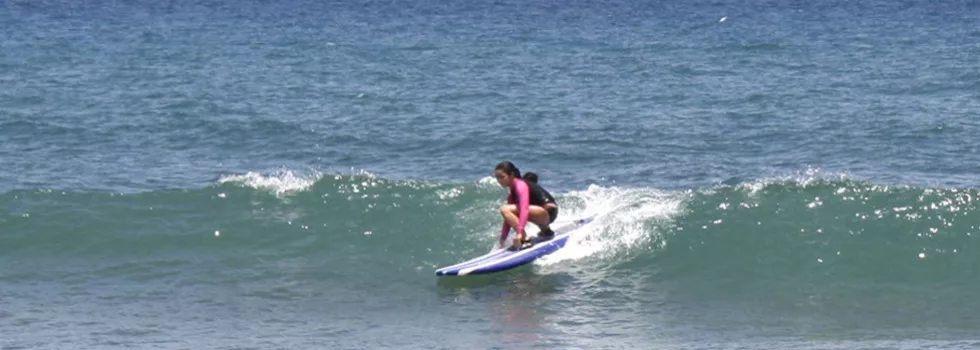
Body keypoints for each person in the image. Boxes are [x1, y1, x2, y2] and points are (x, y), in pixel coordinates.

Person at [493, 161, 559, 250]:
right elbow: (507, 219)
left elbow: (524, 209)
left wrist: (519, 233)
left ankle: (525, 239)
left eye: (502, 177)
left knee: (505, 209)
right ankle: (546, 231)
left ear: (511, 174)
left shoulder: (520, 185)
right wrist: (502, 240)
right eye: (497, 178)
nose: (499, 180)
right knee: (508, 211)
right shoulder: (511, 194)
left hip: (549, 211)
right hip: (543, 214)